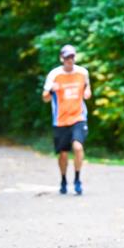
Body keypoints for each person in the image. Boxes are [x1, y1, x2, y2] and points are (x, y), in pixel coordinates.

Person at [42, 45, 92, 195]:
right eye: (66, 58)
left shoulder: (82, 72)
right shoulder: (54, 75)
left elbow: (87, 88)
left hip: (78, 117)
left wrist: (88, 91)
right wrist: (52, 90)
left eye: (72, 57)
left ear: (75, 57)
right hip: (60, 120)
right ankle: (63, 179)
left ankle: (77, 179)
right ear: (61, 59)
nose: (69, 60)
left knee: (78, 147)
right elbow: (45, 98)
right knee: (63, 154)